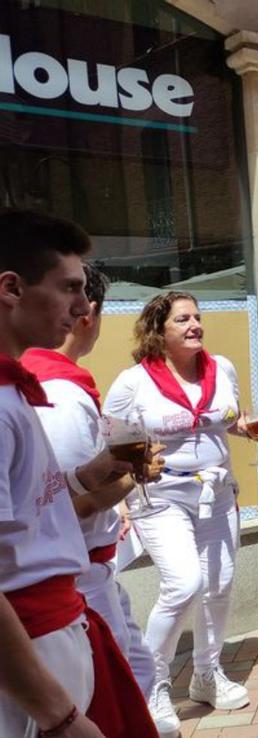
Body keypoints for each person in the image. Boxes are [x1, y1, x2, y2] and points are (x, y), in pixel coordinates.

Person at [0, 209, 157, 738]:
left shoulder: (15, 392)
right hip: (31, 650)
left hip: (53, 634)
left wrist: (86, 475)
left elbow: (31, 510)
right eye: (70, 287)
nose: (83, 307)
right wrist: (59, 716)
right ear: (11, 288)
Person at [103, 290, 258, 732]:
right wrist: (117, 501)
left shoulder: (224, 369)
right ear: (158, 331)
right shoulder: (132, 382)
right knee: (184, 583)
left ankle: (206, 675)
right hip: (160, 497)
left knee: (219, 585)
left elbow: (225, 420)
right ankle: (151, 685)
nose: (195, 325)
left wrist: (246, 428)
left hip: (216, 493)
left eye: (197, 317)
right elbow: (109, 443)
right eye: (182, 320)